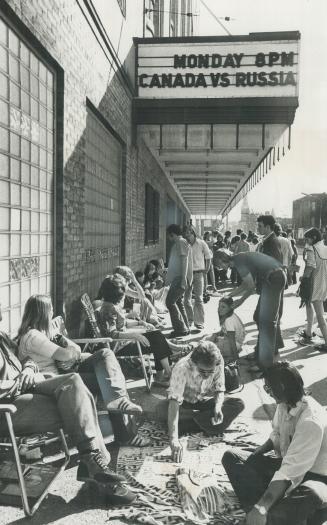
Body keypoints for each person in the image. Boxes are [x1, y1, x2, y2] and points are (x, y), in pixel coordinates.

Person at [0, 303, 135, 504]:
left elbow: (25, 358)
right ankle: (96, 468)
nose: (2, 314)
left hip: (25, 390)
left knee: (74, 383)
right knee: (79, 406)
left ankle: (92, 462)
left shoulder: (2, 336)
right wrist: (21, 382)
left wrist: (29, 369)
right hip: (8, 407)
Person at [16, 294, 149, 448]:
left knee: (106, 356)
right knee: (109, 382)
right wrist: (71, 351)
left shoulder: (44, 332)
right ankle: (124, 433)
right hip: (55, 382)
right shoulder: (33, 336)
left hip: (64, 374)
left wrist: (71, 350)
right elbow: (66, 354)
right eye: (50, 309)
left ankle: (119, 405)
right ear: (43, 312)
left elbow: (75, 349)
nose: (53, 312)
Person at [222, 361, 327, 525]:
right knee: (232, 457)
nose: (267, 392)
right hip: (290, 468)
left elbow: (290, 471)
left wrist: (261, 507)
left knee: (311, 493)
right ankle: (271, 514)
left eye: (269, 388)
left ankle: (266, 512)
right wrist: (259, 452)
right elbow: (277, 433)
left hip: (317, 478)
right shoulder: (285, 403)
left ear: (283, 387)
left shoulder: (310, 421)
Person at [167, 341, 244, 462]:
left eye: (210, 371)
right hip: (183, 404)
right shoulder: (182, 367)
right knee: (163, 413)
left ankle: (190, 423)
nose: (207, 375)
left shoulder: (218, 361)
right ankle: (197, 423)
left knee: (238, 404)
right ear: (194, 362)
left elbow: (219, 389)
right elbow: (174, 403)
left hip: (201, 399)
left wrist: (218, 407)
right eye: (202, 371)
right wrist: (173, 439)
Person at [213, 250, 286, 370]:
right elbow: (245, 284)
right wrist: (229, 295)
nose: (221, 269)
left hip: (274, 278)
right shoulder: (238, 259)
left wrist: (240, 302)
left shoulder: (238, 261)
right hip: (274, 276)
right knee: (258, 317)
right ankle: (267, 350)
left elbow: (250, 287)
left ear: (222, 260)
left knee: (267, 322)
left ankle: (265, 364)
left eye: (220, 266)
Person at [96, 275, 172, 386]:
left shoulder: (111, 306)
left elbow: (122, 324)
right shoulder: (109, 309)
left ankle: (162, 375)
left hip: (123, 342)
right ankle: (167, 374)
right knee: (157, 338)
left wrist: (141, 323)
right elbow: (112, 334)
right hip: (118, 347)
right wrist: (135, 335)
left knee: (157, 335)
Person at [300, 228, 327, 352]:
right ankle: (309, 331)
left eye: (308, 238)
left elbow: (310, 266)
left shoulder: (312, 249)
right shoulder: (325, 248)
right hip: (323, 283)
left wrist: (303, 277)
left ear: (314, 238)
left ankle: (326, 341)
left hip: (313, 283)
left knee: (319, 315)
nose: (306, 241)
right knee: (310, 306)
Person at [165, 224, 193, 337]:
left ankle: (180, 329)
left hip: (180, 278)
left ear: (172, 234)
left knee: (170, 302)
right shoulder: (180, 243)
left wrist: (183, 279)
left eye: (168, 236)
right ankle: (185, 327)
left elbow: (184, 261)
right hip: (180, 277)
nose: (168, 238)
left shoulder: (181, 242)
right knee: (177, 302)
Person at [183, 227, 212, 330]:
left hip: (199, 273)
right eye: (185, 233)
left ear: (193, 233)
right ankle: (189, 320)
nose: (187, 235)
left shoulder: (201, 243)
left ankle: (199, 322)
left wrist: (207, 269)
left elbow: (208, 256)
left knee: (199, 298)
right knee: (186, 299)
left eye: (188, 233)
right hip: (187, 274)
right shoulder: (184, 244)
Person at [206, 297, 245, 361]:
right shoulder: (228, 315)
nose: (219, 309)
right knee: (208, 338)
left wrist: (236, 358)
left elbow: (232, 339)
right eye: (219, 306)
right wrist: (216, 334)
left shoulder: (228, 320)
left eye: (223, 307)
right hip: (234, 342)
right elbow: (224, 331)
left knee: (207, 348)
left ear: (230, 307)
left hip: (234, 345)